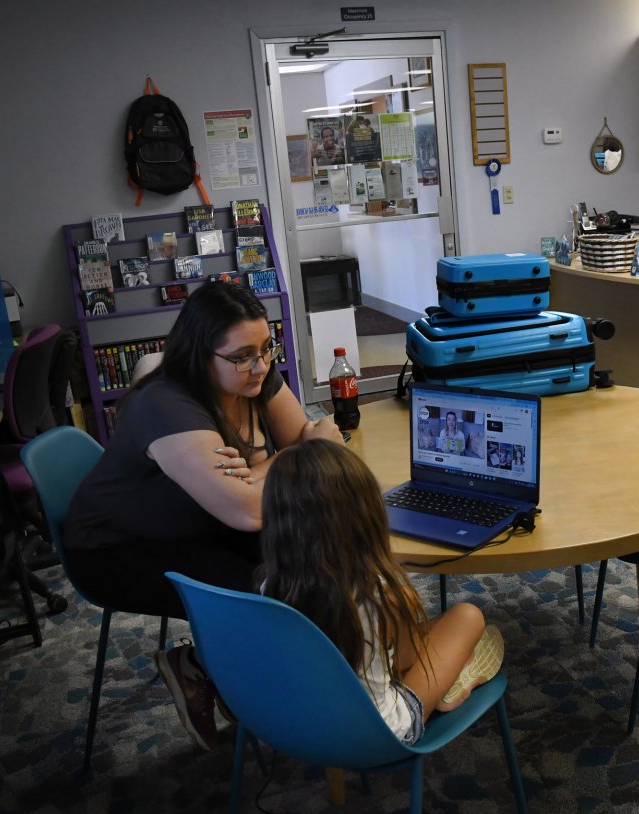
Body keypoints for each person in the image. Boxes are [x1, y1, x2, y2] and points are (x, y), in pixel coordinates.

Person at [61, 281, 343, 750]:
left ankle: (270, 679)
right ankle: (199, 668)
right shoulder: (166, 405)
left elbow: (300, 444)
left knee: (311, 554)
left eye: (266, 348)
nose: (261, 365)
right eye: (242, 356)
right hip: (119, 548)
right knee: (266, 593)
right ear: (200, 353)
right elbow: (250, 508)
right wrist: (278, 464)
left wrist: (258, 469)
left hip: (193, 519)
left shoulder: (250, 373)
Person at [258, 439, 504, 742]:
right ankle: (448, 680)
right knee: (468, 616)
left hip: (302, 721)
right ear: (366, 518)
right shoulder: (377, 595)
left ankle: (448, 668)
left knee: (426, 628)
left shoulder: (271, 587)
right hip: (382, 733)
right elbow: (402, 656)